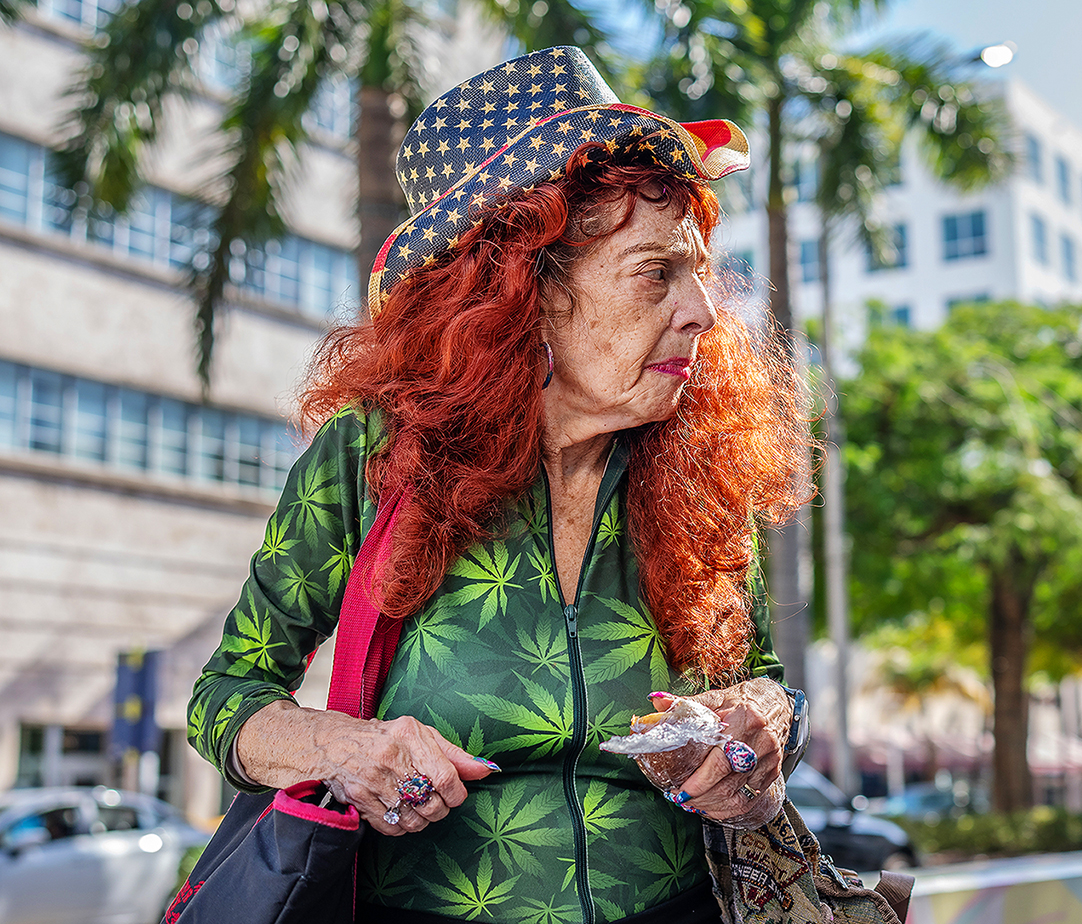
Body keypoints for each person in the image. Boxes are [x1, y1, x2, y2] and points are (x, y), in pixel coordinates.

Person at [188, 46, 814, 924]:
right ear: (521, 294)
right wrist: (342, 746)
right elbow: (225, 699)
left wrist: (761, 724)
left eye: (699, 270)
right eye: (656, 272)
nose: (704, 311)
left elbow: (769, 684)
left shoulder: (696, 474)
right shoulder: (371, 459)